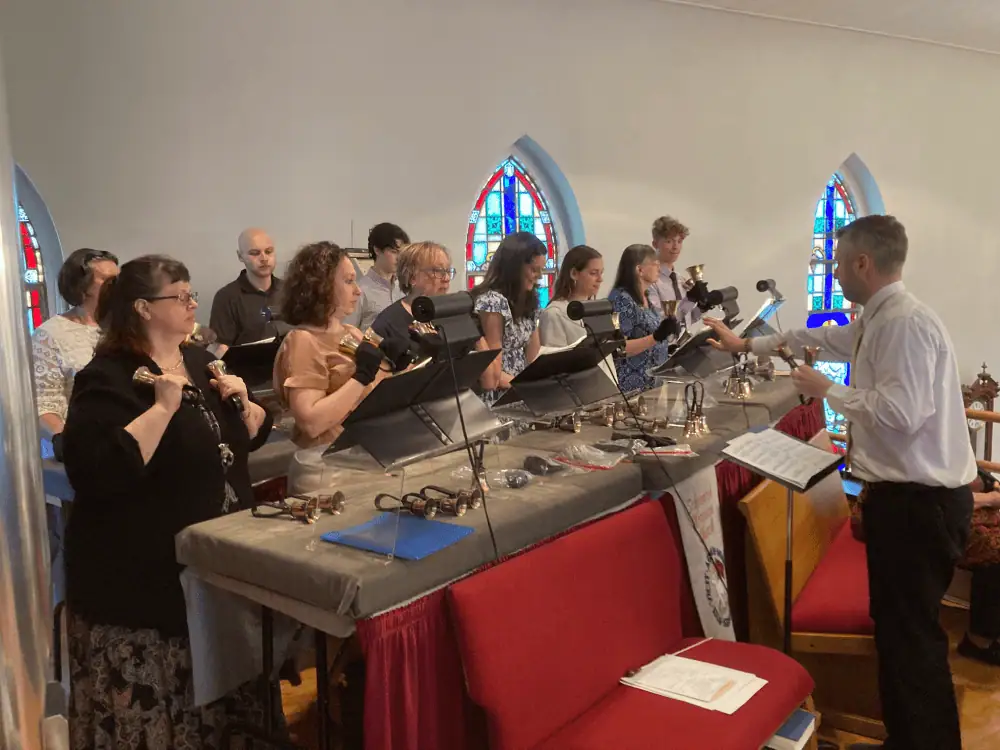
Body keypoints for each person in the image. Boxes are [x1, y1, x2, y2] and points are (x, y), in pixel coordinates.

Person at [705, 215, 974, 750]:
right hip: (906, 503)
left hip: (919, 505)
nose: (832, 268)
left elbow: (903, 413)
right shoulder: (880, 317)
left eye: (836, 259)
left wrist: (826, 389)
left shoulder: (904, 324)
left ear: (862, 263)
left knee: (913, 644)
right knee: (901, 641)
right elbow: (820, 336)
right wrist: (745, 346)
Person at [62, 255, 274, 750]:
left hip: (215, 569)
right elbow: (97, 472)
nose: (192, 303)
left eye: (191, 293)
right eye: (179, 296)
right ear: (142, 307)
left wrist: (248, 408)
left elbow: (230, 450)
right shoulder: (106, 378)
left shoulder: (200, 362)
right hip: (144, 584)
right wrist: (161, 409)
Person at [272, 241, 403, 493]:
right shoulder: (303, 341)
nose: (358, 291)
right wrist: (361, 377)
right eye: (348, 281)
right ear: (320, 287)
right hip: (326, 474)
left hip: (361, 460)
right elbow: (311, 422)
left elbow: (377, 394)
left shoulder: (351, 332)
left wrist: (403, 366)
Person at [32, 248, 119, 444]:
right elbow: (44, 405)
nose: (118, 288)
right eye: (109, 280)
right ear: (82, 286)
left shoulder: (127, 327)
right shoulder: (51, 334)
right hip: (84, 445)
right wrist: (71, 444)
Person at [471, 232, 545, 406]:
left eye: (541, 270)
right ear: (514, 267)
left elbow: (533, 356)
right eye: (534, 270)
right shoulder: (492, 302)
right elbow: (493, 367)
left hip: (521, 390)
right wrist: (525, 387)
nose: (539, 276)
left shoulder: (529, 299)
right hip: (499, 396)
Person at [607, 244, 679, 393]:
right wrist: (657, 337)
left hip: (652, 384)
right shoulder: (622, 299)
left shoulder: (644, 296)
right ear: (639, 270)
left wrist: (666, 342)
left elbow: (649, 336)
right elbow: (619, 348)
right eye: (655, 264)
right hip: (632, 388)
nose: (659, 269)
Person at [209, 227, 283, 357]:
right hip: (247, 373)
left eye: (269, 251)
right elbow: (219, 349)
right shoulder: (227, 297)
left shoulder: (291, 290)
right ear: (240, 256)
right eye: (255, 253)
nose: (264, 258)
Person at [371, 241, 453, 341]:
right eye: (437, 271)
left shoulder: (452, 314)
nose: (447, 278)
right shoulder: (388, 324)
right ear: (412, 277)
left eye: (448, 271)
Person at [346, 222, 409, 331]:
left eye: (402, 253)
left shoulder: (404, 288)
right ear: (377, 250)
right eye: (394, 252)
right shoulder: (360, 291)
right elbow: (347, 333)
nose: (399, 258)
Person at [538, 244, 604, 348]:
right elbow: (554, 359)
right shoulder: (554, 314)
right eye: (593, 273)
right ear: (574, 274)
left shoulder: (597, 310)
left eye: (601, 273)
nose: (600, 279)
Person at [646, 215, 700, 326]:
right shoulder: (649, 281)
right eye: (669, 241)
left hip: (682, 343)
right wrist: (690, 299)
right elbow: (660, 322)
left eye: (679, 241)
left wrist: (703, 307)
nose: (676, 247)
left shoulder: (680, 280)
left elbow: (685, 321)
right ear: (655, 244)